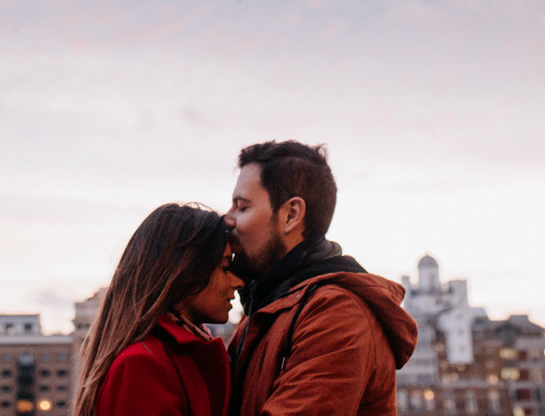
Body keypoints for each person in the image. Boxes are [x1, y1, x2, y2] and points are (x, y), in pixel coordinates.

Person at [224, 140, 418, 416]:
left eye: (242, 207)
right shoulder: (266, 309)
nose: (227, 219)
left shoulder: (337, 314)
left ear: (291, 215)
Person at [74, 202, 245, 416]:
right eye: (225, 267)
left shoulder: (173, 354)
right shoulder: (142, 365)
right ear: (187, 270)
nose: (239, 282)